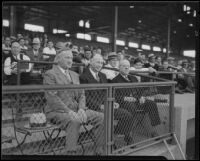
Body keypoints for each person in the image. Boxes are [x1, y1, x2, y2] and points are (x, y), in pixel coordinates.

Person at [43, 50, 105, 155]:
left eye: (71, 58)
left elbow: (82, 94)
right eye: (67, 58)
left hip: (76, 110)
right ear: (58, 59)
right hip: (57, 111)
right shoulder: (50, 74)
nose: (70, 60)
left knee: (101, 117)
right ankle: (71, 152)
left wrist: (81, 108)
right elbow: (52, 98)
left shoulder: (75, 74)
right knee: (74, 120)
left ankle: (99, 150)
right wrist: (68, 111)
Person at [80, 54, 134, 145]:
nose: (100, 65)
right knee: (107, 118)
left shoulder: (103, 75)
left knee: (127, 115)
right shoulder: (83, 77)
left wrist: (113, 101)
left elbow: (107, 93)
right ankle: (110, 143)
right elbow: (85, 96)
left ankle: (113, 135)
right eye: (98, 62)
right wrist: (100, 106)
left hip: (106, 105)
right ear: (91, 62)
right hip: (93, 108)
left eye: (101, 63)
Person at [111, 59, 161, 137]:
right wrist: (125, 98)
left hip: (137, 100)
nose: (127, 68)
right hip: (124, 103)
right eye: (124, 66)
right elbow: (115, 96)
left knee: (152, 104)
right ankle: (127, 134)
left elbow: (139, 90)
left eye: (128, 66)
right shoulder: (115, 80)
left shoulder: (133, 78)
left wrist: (141, 97)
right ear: (119, 67)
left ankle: (154, 130)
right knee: (131, 107)